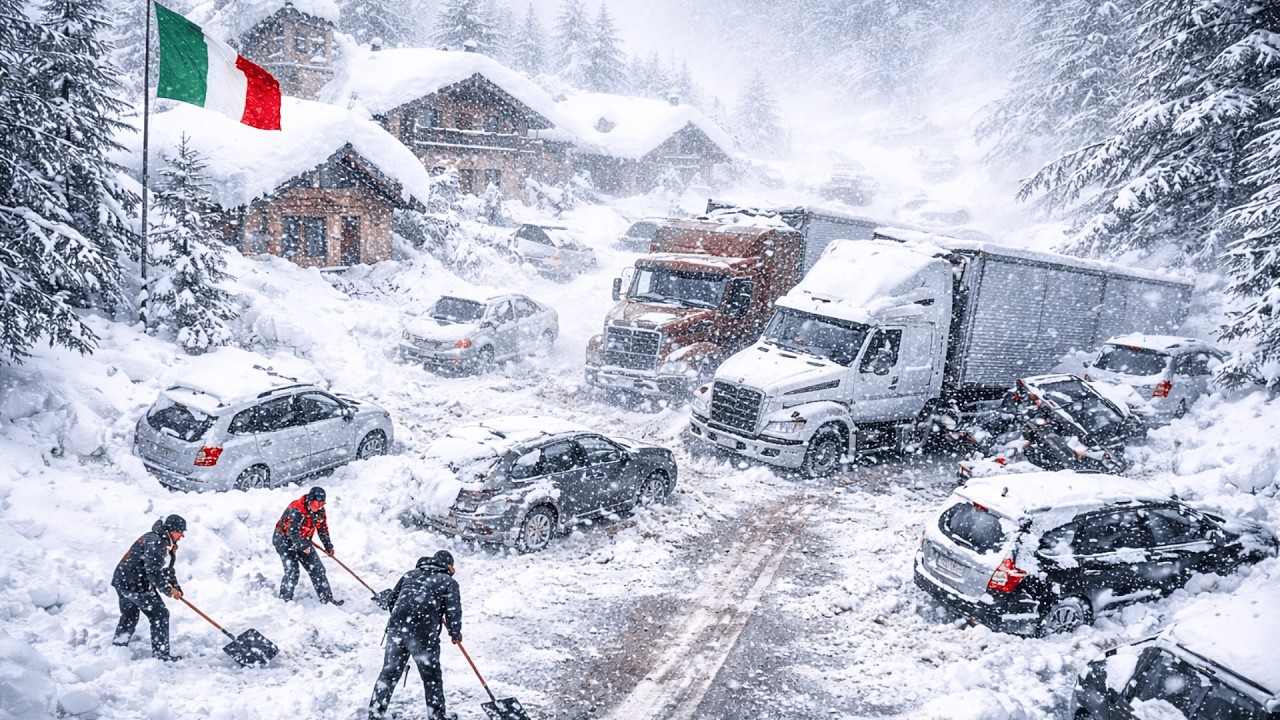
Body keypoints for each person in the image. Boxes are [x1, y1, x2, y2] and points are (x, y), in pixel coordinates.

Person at [368, 551, 463, 720]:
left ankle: (375, 713)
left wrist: (404, 621)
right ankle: (436, 716)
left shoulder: (409, 574)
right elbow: (453, 611)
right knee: (431, 676)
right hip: (423, 634)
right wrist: (455, 633)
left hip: (397, 628)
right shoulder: (449, 582)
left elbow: (391, 601)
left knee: (389, 673)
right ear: (449, 567)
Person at [111, 514, 186, 661]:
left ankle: (118, 647)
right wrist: (168, 589)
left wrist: (175, 586)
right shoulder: (156, 542)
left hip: (122, 581)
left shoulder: (160, 541)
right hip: (136, 585)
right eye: (179, 531)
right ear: (169, 530)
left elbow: (166, 570)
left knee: (130, 615)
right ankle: (161, 655)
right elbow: (153, 572)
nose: (182, 535)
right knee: (160, 615)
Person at [273, 486, 342, 605]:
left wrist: (328, 546)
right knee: (292, 571)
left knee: (318, 569)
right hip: (284, 540)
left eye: (322, 503)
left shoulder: (320, 512)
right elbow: (292, 532)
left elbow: (323, 530)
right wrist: (303, 546)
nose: (320, 506)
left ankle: (327, 600)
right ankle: (284, 601)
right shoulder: (297, 509)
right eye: (318, 503)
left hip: (303, 539)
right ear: (310, 501)